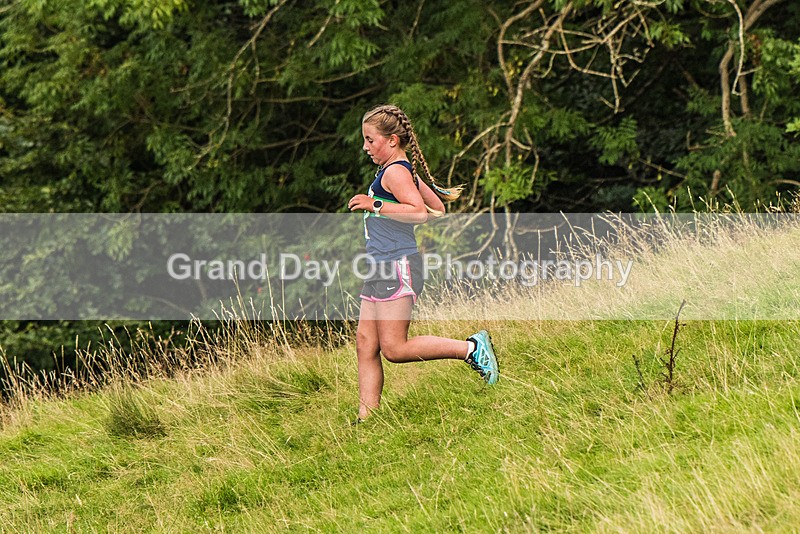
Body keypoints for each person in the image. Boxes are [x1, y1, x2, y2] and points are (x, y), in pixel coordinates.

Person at [347, 104, 499, 423]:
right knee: (365, 343)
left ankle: (472, 349)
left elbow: (417, 213)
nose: (365, 146)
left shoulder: (396, 172)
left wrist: (373, 204)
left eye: (370, 139)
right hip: (379, 265)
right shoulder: (400, 170)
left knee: (394, 348)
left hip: (396, 264)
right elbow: (436, 209)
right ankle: (366, 420)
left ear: (391, 140)